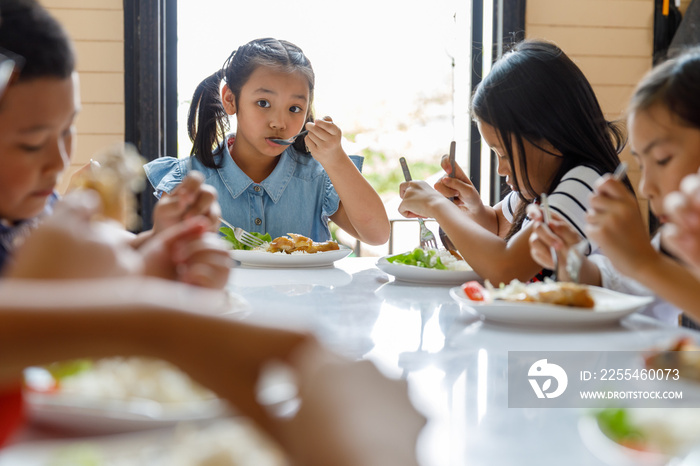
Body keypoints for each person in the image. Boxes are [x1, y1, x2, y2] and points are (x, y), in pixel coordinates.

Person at [0, 0, 229, 288]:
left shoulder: (37, 206)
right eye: (32, 144)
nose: (59, 162)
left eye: (67, 130)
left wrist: (164, 237)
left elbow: (98, 256)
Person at [398, 40, 629, 284]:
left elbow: (505, 268)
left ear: (550, 137)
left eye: (505, 154)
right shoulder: (545, 186)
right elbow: (498, 226)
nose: (501, 169)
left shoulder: (587, 185)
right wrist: (473, 207)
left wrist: (436, 205)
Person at [143, 38, 390, 246]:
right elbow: (160, 259)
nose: (279, 122)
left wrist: (336, 159)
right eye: (263, 103)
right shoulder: (188, 181)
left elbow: (377, 235)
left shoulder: (318, 178)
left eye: (294, 108)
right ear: (230, 99)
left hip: (307, 304)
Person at [529, 47, 700, 324]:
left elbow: (647, 273)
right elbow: (624, 288)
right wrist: (568, 256)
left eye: (662, 159)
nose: (645, 188)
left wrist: (644, 262)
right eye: (642, 165)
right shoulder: (677, 239)